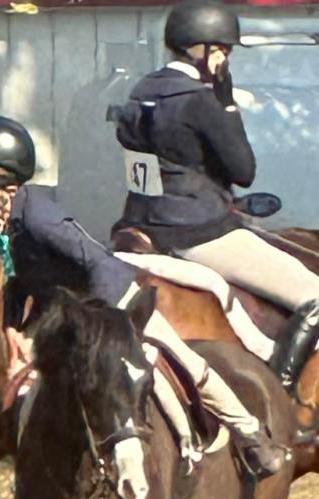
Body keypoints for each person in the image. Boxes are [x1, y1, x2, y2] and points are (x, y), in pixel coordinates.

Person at [0, 114, 288, 478]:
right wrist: (14, 326)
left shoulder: (39, 216)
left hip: (112, 299)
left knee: (181, 360)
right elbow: (14, 278)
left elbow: (95, 262)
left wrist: (105, 322)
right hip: (64, 312)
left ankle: (251, 435)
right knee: (25, 381)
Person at [114, 0, 319, 390]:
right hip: (196, 233)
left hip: (140, 225)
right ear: (203, 49)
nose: (226, 58)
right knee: (315, 295)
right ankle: (283, 390)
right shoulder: (200, 99)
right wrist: (226, 103)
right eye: (223, 49)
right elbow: (244, 172)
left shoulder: (142, 90)